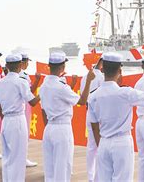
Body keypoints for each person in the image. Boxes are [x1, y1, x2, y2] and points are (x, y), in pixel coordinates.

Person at [88, 52, 144, 182]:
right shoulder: (125, 92)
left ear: (102, 69)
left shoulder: (93, 96)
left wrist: (102, 145)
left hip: (103, 142)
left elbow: (94, 127)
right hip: (122, 142)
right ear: (120, 70)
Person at [39, 52, 95, 182]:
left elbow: (43, 110)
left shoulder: (44, 85)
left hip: (49, 128)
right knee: (63, 168)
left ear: (49, 66)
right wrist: (88, 81)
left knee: (50, 169)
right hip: (61, 129)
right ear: (62, 67)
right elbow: (81, 101)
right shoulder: (60, 86)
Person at [0, 54, 40, 182]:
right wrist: (42, 92)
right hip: (17, 120)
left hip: (6, 120)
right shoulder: (21, 82)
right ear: (20, 65)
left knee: (7, 157)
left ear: (7, 66)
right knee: (18, 157)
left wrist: (5, 119)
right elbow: (32, 102)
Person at [80, 57, 104, 182]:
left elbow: (82, 96)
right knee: (101, 145)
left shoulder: (85, 77)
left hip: (89, 111)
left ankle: (90, 176)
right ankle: (98, 176)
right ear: (100, 63)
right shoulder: (101, 77)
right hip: (100, 114)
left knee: (91, 146)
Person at [19, 52, 41, 167]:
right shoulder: (23, 76)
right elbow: (30, 93)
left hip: (20, 106)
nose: (28, 64)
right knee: (24, 133)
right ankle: (23, 158)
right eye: (27, 62)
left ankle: (20, 158)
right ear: (23, 62)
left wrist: (36, 80)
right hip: (24, 106)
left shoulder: (18, 75)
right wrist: (38, 81)